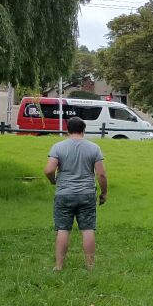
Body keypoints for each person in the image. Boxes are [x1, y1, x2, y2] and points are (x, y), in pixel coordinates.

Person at [44, 116, 107, 271]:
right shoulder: (94, 148)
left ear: (67, 129)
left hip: (64, 193)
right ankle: (90, 265)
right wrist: (104, 193)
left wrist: (54, 181)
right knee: (87, 229)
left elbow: (49, 170)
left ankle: (59, 266)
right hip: (86, 193)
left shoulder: (58, 147)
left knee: (63, 229)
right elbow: (101, 175)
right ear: (83, 130)